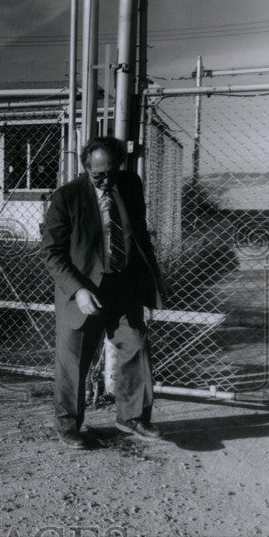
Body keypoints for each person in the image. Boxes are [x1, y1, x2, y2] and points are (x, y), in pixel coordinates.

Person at [41, 136, 165, 449]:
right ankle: (69, 425)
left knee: (133, 346)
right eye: (99, 175)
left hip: (122, 285)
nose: (107, 180)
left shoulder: (131, 184)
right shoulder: (66, 197)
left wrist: (149, 280)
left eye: (112, 171)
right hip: (82, 290)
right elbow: (52, 253)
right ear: (86, 169)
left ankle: (131, 417)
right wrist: (78, 290)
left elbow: (138, 234)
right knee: (73, 361)